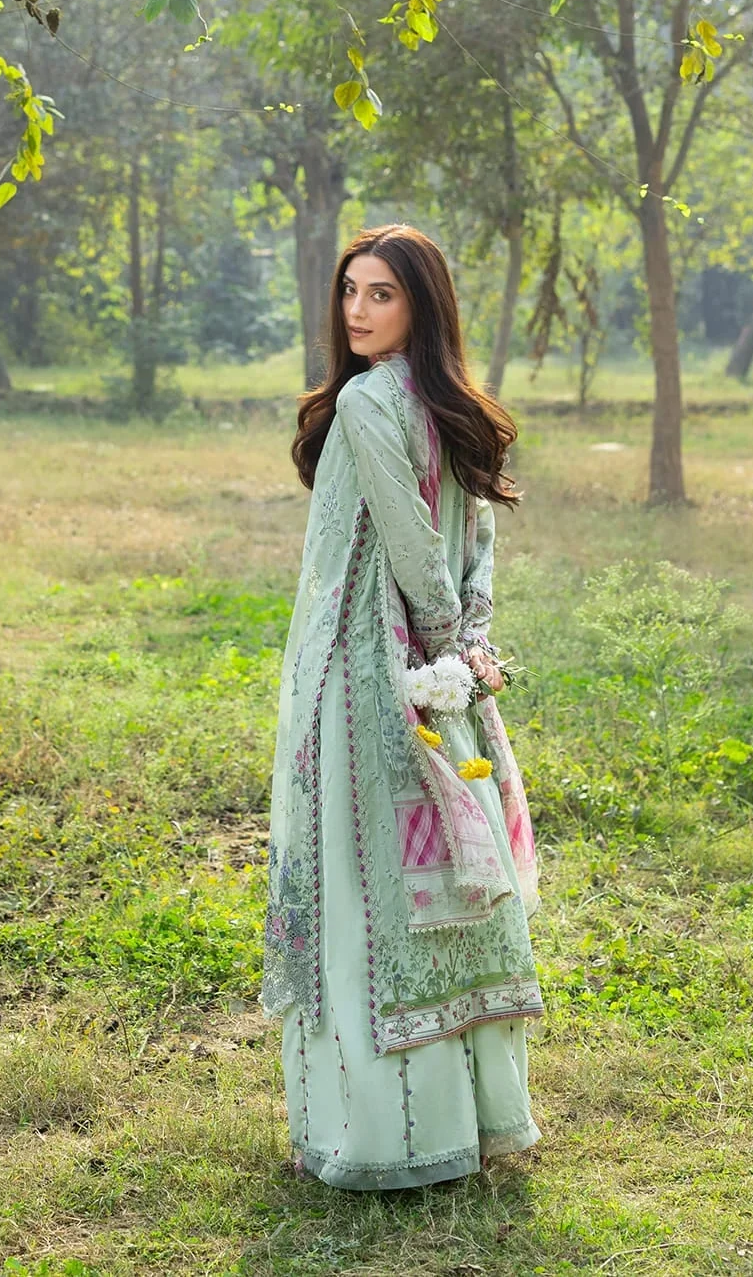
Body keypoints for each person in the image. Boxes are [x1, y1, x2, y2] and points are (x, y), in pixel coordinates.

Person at [261, 223, 543, 1189]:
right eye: (350, 291)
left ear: (422, 305)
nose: (358, 311)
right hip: (439, 674)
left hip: (368, 671)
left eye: (381, 294)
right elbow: (476, 548)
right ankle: (470, 1121)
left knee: (361, 889)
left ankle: (380, 1136)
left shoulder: (369, 402)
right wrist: (465, 652)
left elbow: (417, 540)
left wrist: (439, 642)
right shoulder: (451, 407)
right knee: (438, 891)